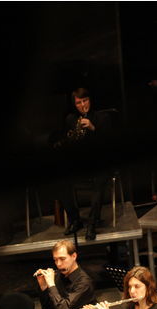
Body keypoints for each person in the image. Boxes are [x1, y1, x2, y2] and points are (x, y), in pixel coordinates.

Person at [57, 87, 114, 240]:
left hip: (100, 162)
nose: (83, 105)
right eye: (79, 103)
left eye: (85, 101)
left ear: (90, 100)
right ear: (74, 105)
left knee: (99, 180)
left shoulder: (102, 117)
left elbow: (108, 143)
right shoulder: (71, 119)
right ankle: (75, 220)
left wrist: (93, 128)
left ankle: (91, 224)